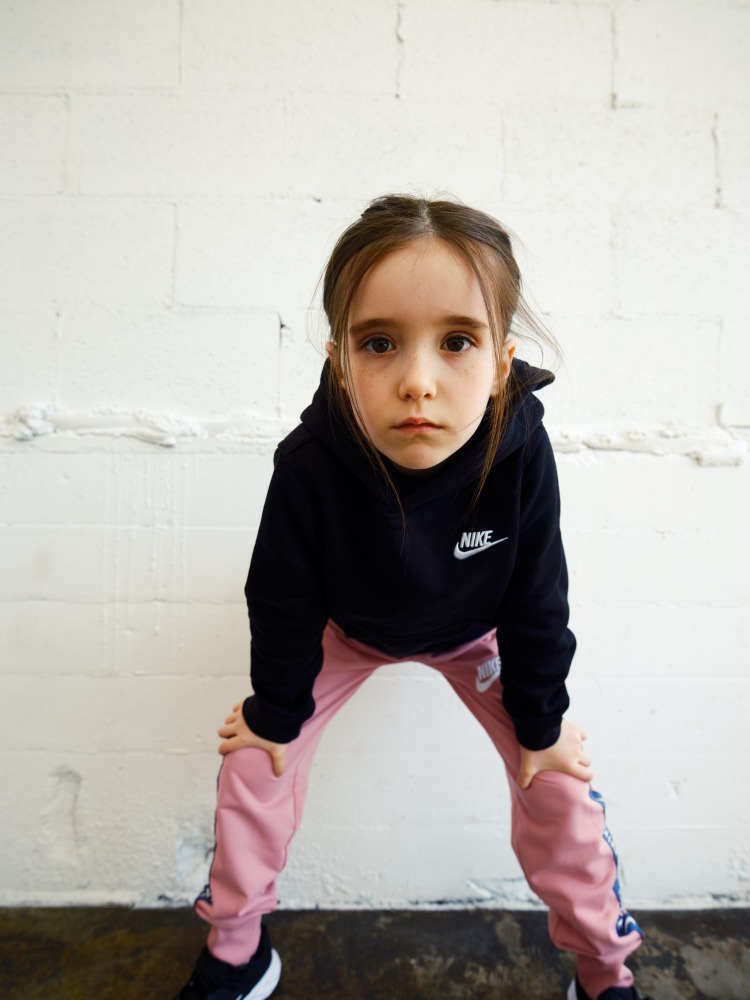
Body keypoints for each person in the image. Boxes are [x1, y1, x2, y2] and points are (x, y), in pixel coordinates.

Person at [174, 195, 649, 1000]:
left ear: (501, 362)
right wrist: (276, 711)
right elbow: (282, 597)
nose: (417, 383)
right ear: (339, 361)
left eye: (457, 342)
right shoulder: (308, 463)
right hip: (346, 633)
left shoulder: (520, 451)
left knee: (559, 782)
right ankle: (237, 952)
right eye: (380, 343)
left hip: (474, 636)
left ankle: (605, 971)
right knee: (254, 760)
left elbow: (538, 595)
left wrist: (541, 722)